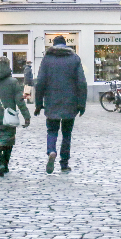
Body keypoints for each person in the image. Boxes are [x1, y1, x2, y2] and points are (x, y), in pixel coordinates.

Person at [35, 35, 87, 174]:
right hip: (70, 103)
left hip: (52, 101)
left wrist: (39, 104)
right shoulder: (74, 58)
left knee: (52, 130)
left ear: (53, 45)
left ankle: (51, 151)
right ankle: (64, 163)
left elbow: (40, 82)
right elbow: (81, 82)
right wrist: (81, 104)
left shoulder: (47, 59)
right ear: (66, 45)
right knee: (67, 134)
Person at [0, 56, 30, 177]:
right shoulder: (13, 82)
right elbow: (20, 101)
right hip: (8, 118)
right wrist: (26, 116)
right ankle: (5, 164)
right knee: (8, 141)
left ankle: (0, 164)